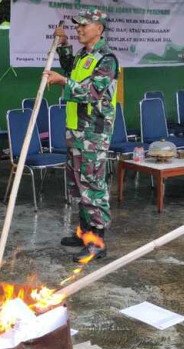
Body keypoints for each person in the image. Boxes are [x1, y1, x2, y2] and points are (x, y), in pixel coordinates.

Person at [43, 8, 119, 263]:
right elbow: (70, 68)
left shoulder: (107, 59)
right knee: (78, 183)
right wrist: (64, 47)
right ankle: (84, 232)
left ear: (99, 28)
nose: (79, 29)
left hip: (93, 133)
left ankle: (97, 243)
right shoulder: (83, 56)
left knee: (93, 187)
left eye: (84, 25)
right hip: (76, 130)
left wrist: (62, 82)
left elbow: (93, 93)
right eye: (77, 26)